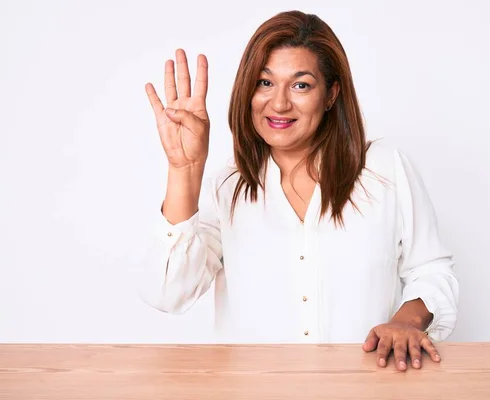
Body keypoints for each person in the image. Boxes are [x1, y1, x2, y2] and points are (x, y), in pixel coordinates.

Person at [138, 10, 459, 372]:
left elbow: (432, 271)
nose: (279, 103)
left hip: (367, 390)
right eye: (265, 83)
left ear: (331, 94)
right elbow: (165, 293)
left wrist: (407, 321)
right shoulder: (227, 189)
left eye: (301, 85)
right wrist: (184, 171)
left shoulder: (386, 171)